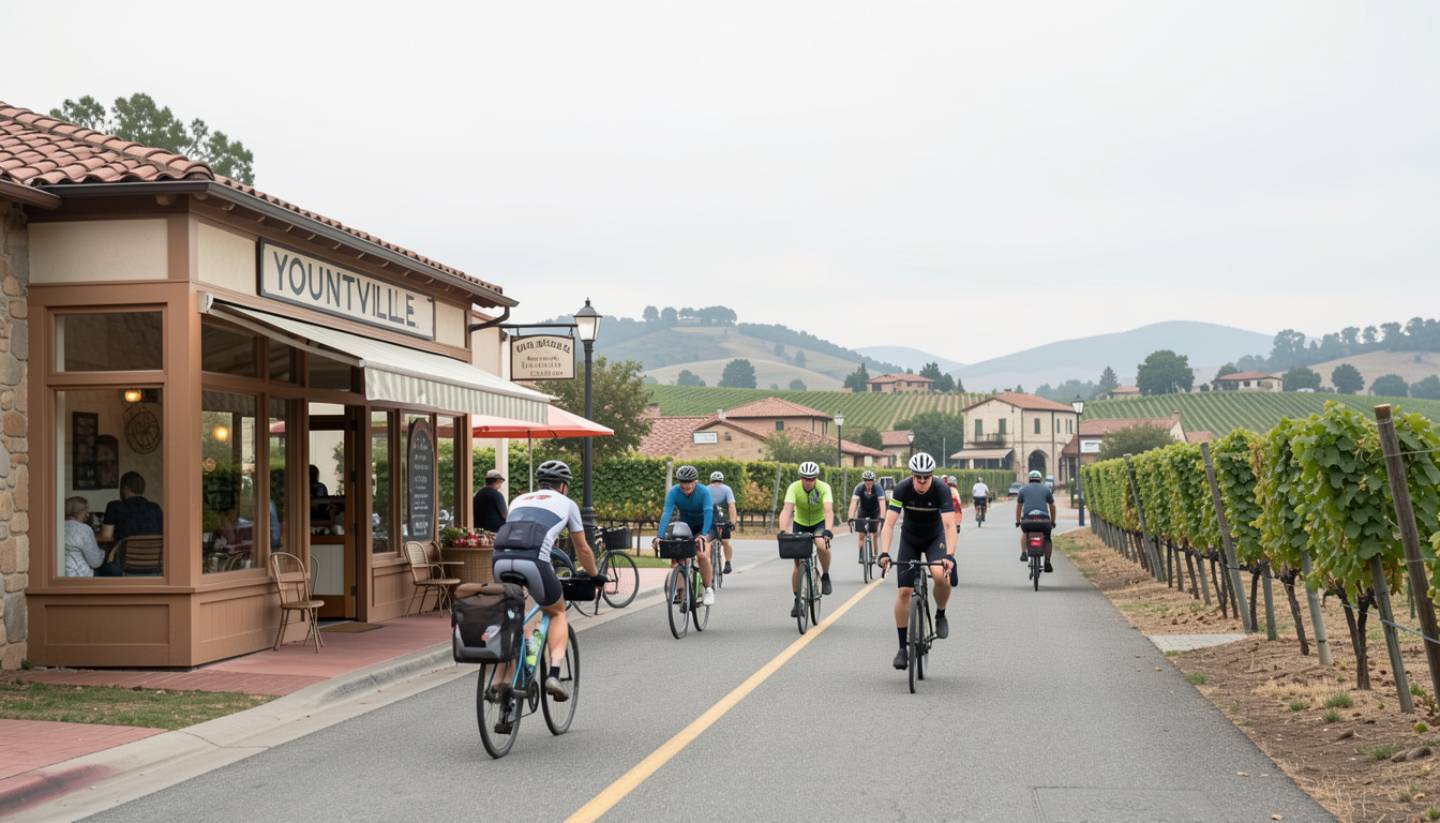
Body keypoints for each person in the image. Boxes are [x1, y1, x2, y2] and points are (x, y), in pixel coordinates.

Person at [489, 460, 598, 704]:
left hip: (499, 560)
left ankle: (501, 679)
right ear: (564, 487)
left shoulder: (519, 500)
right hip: (533, 561)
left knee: (515, 614)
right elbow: (582, 549)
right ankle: (554, 674)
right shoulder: (568, 504)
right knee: (557, 611)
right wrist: (594, 574)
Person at [877, 452, 957, 670]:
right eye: (918, 477)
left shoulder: (941, 489)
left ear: (932, 476)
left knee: (940, 575)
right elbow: (889, 524)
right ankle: (902, 648)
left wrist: (949, 556)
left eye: (926, 477)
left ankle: (940, 613)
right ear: (912, 476)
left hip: (934, 538)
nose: (922, 482)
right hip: (910, 538)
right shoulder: (903, 488)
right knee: (904, 591)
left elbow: (950, 526)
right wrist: (884, 552)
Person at [778, 461, 834, 616]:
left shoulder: (824, 487)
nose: (809, 482)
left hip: (819, 522)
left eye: (812, 479)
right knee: (797, 563)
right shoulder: (793, 488)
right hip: (800, 523)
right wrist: (783, 530)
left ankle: (826, 575)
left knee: (822, 545)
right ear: (801, 478)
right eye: (805, 478)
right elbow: (787, 509)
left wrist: (828, 530)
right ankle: (797, 600)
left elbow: (828, 511)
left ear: (816, 478)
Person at [655, 465, 716, 605]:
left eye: (689, 486)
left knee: (701, 555)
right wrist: (659, 536)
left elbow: (708, 513)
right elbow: (666, 513)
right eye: (683, 487)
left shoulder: (704, 491)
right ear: (679, 483)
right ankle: (681, 592)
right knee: (679, 555)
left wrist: (703, 535)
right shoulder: (673, 492)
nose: (686, 490)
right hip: (686, 526)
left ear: (695, 482)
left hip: (706, 525)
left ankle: (708, 590)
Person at [101, 471, 164, 544]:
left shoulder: (114, 506)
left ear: (125, 488)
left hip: (125, 554)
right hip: (154, 554)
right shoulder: (155, 507)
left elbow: (106, 536)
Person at [1015, 469, 1057, 572]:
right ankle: (1047, 562)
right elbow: (1052, 507)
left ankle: (1023, 553)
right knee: (1047, 538)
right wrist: (1052, 521)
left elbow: (1019, 507)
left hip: (1028, 520)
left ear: (1029, 479)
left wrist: (1017, 521)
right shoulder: (1046, 489)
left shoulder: (1022, 490)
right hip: (1043, 520)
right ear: (1040, 479)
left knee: (1025, 532)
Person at [64, 496, 105, 577]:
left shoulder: (55, 527)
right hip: (81, 575)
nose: (88, 514)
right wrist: (103, 552)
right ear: (83, 512)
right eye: (87, 510)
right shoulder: (85, 529)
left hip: (61, 575)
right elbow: (96, 563)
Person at [847, 470, 884, 556]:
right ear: (864, 481)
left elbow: (882, 503)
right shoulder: (859, 488)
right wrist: (850, 517)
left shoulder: (878, 488)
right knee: (861, 535)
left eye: (870, 480)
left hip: (875, 511)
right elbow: (853, 503)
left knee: (874, 536)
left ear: (873, 481)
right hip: (863, 511)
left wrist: (882, 517)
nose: (868, 482)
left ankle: (875, 554)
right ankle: (861, 554)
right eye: (866, 480)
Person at [707, 471, 738, 575]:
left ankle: (708, 562)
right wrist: (733, 522)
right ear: (722, 480)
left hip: (709, 518)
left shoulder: (706, 489)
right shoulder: (727, 489)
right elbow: (732, 506)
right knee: (725, 542)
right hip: (722, 519)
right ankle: (728, 562)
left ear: (711, 480)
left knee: (709, 542)